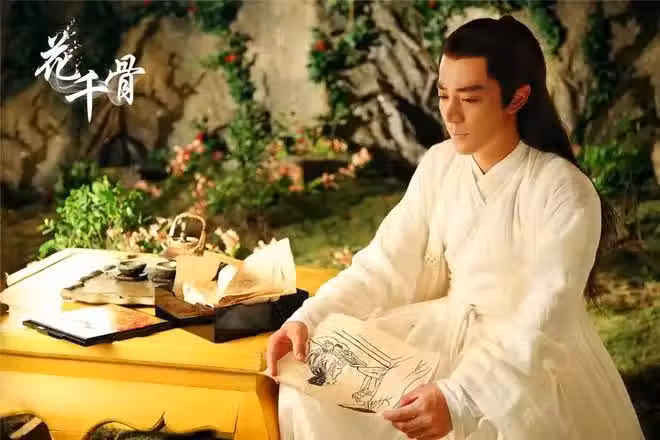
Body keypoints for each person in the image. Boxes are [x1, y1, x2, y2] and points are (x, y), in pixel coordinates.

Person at [267, 15, 645, 440]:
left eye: (470, 98)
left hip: (523, 359)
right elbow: (384, 266)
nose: (450, 113)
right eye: (443, 94)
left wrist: (460, 398)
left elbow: (545, 314)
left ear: (517, 98)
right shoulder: (440, 164)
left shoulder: (562, 190)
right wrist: (309, 317)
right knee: (310, 385)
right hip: (441, 333)